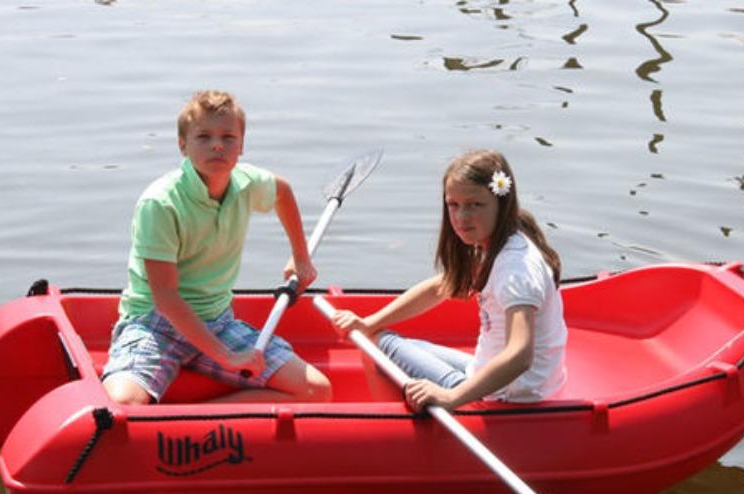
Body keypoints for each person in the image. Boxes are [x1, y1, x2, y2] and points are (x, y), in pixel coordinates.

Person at [102, 90, 332, 405]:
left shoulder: (245, 182)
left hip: (217, 320)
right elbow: (166, 297)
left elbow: (282, 191)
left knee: (316, 391)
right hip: (155, 325)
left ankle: (196, 427)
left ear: (241, 145)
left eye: (228, 137)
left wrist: (300, 257)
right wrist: (226, 356)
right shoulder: (160, 202)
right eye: (203, 136)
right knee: (123, 406)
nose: (217, 145)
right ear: (183, 145)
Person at [331, 149, 566, 411]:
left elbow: (520, 355)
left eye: (475, 205)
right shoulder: (501, 242)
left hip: (508, 396)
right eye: (453, 205)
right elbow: (440, 287)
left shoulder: (515, 269)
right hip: (501, 380)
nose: (462, 217)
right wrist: (369, 322)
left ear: (502, 203)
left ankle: (394, 430)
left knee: (376, 344)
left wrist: (452, 397)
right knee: (373, 333)